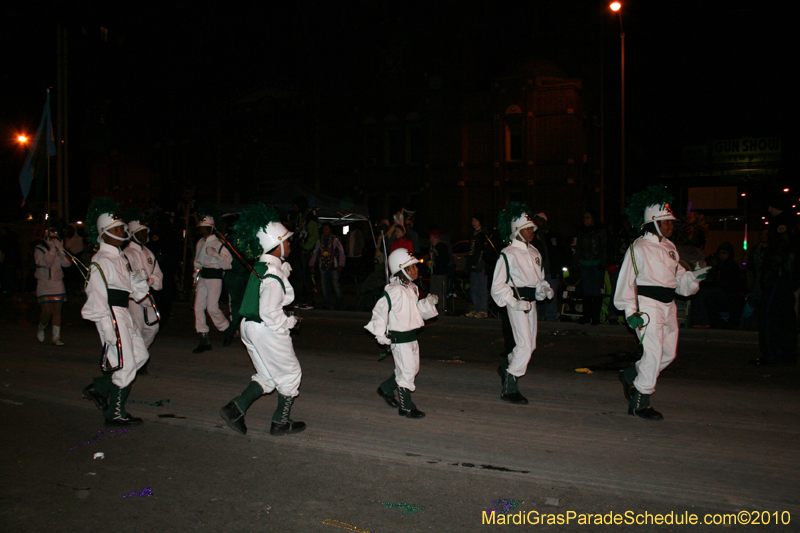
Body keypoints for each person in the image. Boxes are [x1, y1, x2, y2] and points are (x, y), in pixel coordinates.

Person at [615, 186, 710, 420]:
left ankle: (632, 374)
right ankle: (640, 401)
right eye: (666, 222)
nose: (670, 226)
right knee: (654, 353)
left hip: (668, 306)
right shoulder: (639, 247)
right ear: (653, 223)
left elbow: (679, 282)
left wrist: (693, 278)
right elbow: (627, 281)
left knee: (667, 354)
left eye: (671, 222)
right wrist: (630, 311)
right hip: (647, 306)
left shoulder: (669, 247)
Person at [219, 204, 306, 436]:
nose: (290, 244)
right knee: (290, 373)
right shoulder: (272, 272)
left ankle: (235, 408)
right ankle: (280, 422)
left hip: (249, 326)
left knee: (267, 375)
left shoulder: (261, 266)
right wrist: (290, 322)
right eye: (286, 241)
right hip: (266, 327)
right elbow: (269, 311)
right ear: (276, 245)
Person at [81, 198, 151, 425]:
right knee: (125, 364)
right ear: (105, 233)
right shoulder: (100, 260)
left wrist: (139, 282)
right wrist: (106, 326)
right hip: (111, 314)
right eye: (117, 229)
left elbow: (134, 291)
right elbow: (96, 294)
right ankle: (115, 413)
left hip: (124, 312)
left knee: (140, 356)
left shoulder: (120, 257)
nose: (122, 231)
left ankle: (100, 387)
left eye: (121, 227)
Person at [491, 203, 554, 405]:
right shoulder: (508, 253)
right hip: (516, 303)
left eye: (533, 228)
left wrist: (543, 289)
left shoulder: (535, 252)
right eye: (528, 228)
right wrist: (513, 302)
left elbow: (538, 279)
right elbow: (497, 286)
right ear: (517, 230)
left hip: (531, 304)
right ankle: (510, 386)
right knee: (525, 345)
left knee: (530, 345)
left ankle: (507, 366)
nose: (532, 231)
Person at [366, 248, 438, 418]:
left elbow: (415, 312)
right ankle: (406, 407)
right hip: (400, 338)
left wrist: (427, 303)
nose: (416, 269)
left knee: (412, 368)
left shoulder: (412, 288)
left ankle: (386, 388)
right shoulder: (394, 291)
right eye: (412, 267)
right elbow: (380, 312)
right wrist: (380, 334)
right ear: (402, 269)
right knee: (407, 371)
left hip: (411, 336)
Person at [751, 192, 800, 366]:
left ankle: (771, 353)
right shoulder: (791, 223)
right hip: (786, 277)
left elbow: (779, 253)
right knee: (786, 316)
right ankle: (787, 353)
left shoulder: (781, 225)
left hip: (778, 278)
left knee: (768, 314)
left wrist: (769, 274)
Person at [121, 210, 164, 374]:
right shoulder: (127, 253)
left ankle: (139, 356)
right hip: (133, 298)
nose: (145, 235)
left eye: (145, 232)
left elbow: (157, 272)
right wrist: (139, 283)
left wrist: (151, 281)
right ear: (132, 234)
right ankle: (137, 361)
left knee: (153, 327)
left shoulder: (148, 252)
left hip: (147, 295)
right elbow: (126, 277)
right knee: (137, 329)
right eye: (141, 232)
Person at [192, 207, 233, 353]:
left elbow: (228, 264)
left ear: (212, 228)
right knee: (198, 307)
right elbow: (197, 262)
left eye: (205, 228)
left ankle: (226, 328)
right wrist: (195, 275)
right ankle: (203, 337)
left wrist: (217, 255)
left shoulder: (219, 244)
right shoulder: (200, 242)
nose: (202, 230)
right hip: (203, 277)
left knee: (212, 307)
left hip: (215, 277)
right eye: (201, 228)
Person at [34, 227, 72, 345]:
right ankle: (41, 327)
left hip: (57, 283)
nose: (53, 241)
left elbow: (67, 264)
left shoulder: (58, 249)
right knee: (47, 311)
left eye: (55, 238)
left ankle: (56, 337)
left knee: (57, 311)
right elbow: (44, 263)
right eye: (51, 238)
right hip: (44, 283)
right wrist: (51, 250)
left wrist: (61, 251)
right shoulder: (39, 249)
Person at [574, 211, 607, 325]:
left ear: (593, 219)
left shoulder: (600, 231)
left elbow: (604, 247)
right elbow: (578, 247)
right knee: (586, 291)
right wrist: (576, 260)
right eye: (584, 217)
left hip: (596, 263)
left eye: (588, 217)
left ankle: (595, 317)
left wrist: (603, 262)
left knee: (595, 290)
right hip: (584, 263)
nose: (585, 220)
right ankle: (586, 316)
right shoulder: (582, 232)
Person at [532, 212, 562, 321]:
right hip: (537, 272)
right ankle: (538, 317)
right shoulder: (532, 236)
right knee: (538, 294)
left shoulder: (553, 235)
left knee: (551, 294)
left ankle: (551, 318)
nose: (538, 222)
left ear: (545, 221)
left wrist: (559, 269)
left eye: (540, 220)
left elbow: (560, 253)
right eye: (536, 220)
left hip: (551, 271)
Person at [309, 222, 347, 310]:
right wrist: (312, 265)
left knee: (336, 286)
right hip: (323, 267)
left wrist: (341, 265)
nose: (326, 230)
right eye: (324, 229)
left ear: (331, 230)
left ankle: (341, 305)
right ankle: (328, 304)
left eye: (328, 229)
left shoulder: (336, 240)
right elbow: (315, 253)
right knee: (324, 287)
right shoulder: (320, 241)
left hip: (334, 266)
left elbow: (342, 253)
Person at [289, 196, 318, 310]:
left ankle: (308, 301)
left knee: (305, 277)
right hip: (297, 252)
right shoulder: (299, 216)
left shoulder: (310, 218)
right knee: (298, 277)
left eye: (296, 205)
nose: (294, 208)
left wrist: (305, 248)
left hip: (304, 253)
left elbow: (314, 236)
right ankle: (300, 300)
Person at [465, 213, 493, 318]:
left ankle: (483, 310)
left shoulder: (484, 235)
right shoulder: (472, 235)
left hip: (481, 266)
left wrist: (482, 263)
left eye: (476, 220)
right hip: (473, 265)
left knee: (482, 288)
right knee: (474, 288)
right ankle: (476, 308)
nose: (474, 223)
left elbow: (486, 251)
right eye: (473, 221)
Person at [427, 230, 450, 316]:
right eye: (431, 238)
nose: (432, 240)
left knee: (440, 291)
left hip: (441, 273)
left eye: (434, 238)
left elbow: (445, 259)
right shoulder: (432, 247)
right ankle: (433, 309)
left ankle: (441, 309)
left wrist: (435, 262)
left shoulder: (442, 246)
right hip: (433, 272)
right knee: (433, 291)